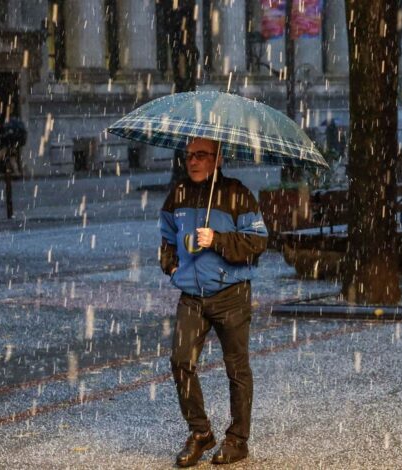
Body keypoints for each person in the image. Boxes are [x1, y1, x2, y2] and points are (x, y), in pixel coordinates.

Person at [159, 137, 268, 467]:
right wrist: (171, 265)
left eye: (201, 155)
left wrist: (217, 240)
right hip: (192, 297)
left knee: (236, 368)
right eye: (189, 155)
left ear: (218, 159)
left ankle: (237, 440)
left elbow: (258, 241)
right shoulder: (178, 194)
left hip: (231, 294)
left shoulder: (237, 194)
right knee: (181, 360)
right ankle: (200, 432)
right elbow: (166, 237)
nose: (193, 161)